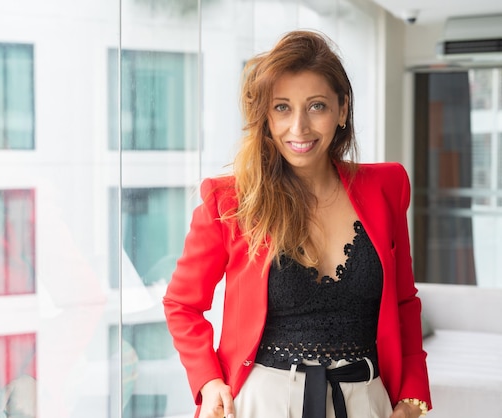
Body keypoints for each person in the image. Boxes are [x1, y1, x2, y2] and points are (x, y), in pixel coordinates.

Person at [162, 30, 432, 418]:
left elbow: (405, 302)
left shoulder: (387, 188)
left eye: (317, 106)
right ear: (266, 118)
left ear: (342, 109)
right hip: (262, 403)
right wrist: (208, 380)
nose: (299, 127)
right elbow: (182, 304)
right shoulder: (230, 201)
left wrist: (412, 397)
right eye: (283, 108)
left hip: (366, 402)